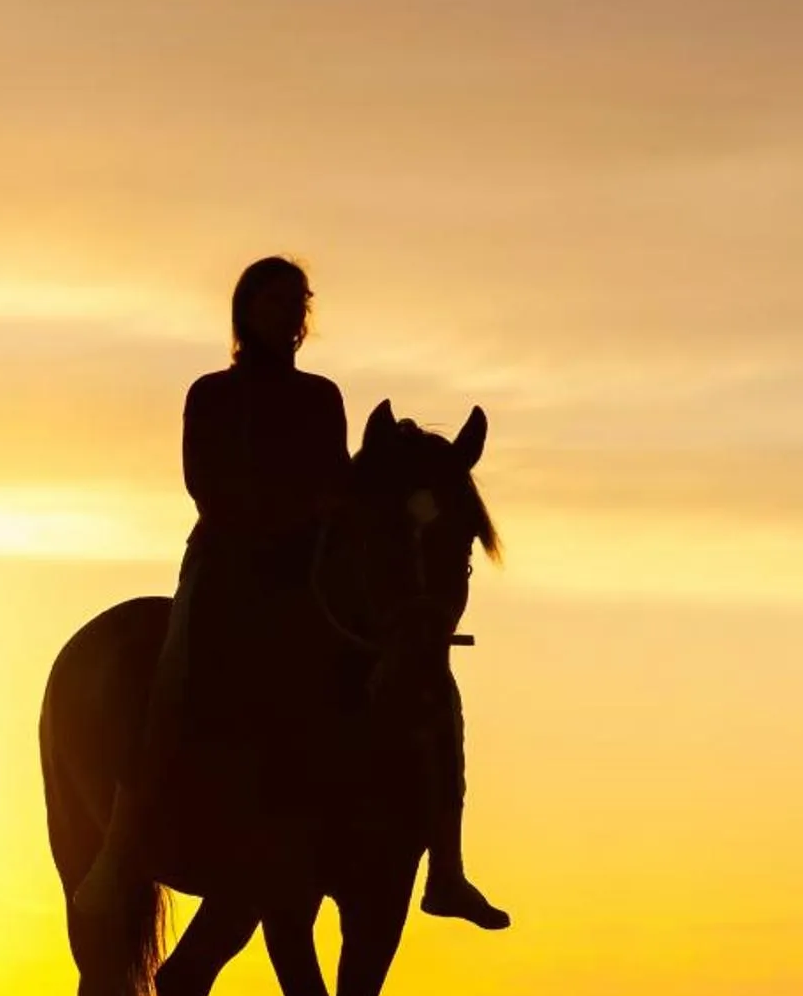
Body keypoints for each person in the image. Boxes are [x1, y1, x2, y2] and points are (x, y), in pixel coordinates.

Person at [73, 256, 506, 929]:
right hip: (225, 566)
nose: (286, 316)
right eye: (272, 303)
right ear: (246, 312)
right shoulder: (210, 393)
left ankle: (445, 868)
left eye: (294, 305)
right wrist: (280, 516)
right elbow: (204, 486)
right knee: (176, 672)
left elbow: (335, 483)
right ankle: (121, 844)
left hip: (307, 569)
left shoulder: (321, 397)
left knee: (425, 677)